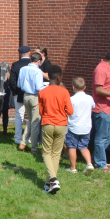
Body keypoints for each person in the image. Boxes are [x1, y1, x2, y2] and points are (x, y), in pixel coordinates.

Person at [38, 66, 72, 194]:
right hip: (61, 125)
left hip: (47, 123)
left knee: (46, 153)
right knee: (56, 154)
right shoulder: (64, 92)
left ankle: (52, 180)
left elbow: (41, 111)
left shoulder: (42, 92)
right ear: (59, 78)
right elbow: (70, 111)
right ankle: (50, 182)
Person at [67, 77, 95, 174]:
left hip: (74, 126)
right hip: (86, 127)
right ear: (85, 87)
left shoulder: (71, 99)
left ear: (73, 87)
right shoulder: (89, 98)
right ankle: (89, 164)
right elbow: (93, 106)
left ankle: (73, 168)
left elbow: (68, 111)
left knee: (72, 147)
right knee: (84, 146)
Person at [18, 52, 45, 152]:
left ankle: (23, 143)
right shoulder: (37, 71)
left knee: (30, 120)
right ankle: (34, 148)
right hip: (35, 97)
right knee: (35, 123)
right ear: (38, 61)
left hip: (25, 95)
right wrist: (46, 87)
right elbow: (39, 87)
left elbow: (19, 84)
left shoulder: (23, 69)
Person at [8, 46, 32, 146]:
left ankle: (18, 138)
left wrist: (15, 92)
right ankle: (29, 138)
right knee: (31, 117)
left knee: (19, 116)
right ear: (29, 53)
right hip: (32, 94)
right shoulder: (32, 64)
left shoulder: (16, 65)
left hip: (19, 94)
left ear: (20, 54)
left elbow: (11, 81)